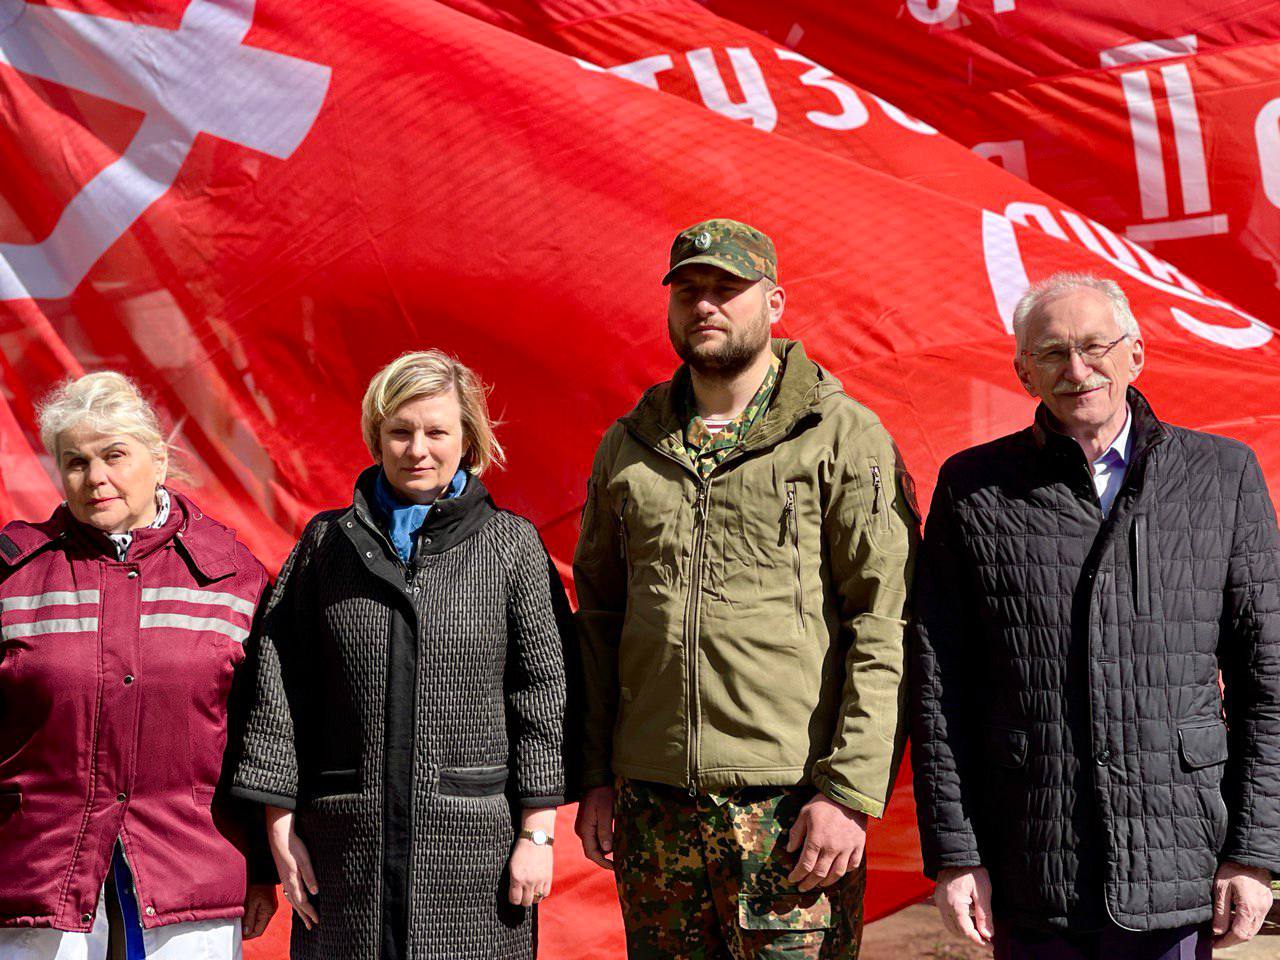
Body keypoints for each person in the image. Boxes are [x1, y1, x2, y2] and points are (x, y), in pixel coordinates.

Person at [573, 218, 918, 958]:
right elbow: (599, 619)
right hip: (654, 807)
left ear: (775, 301)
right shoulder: (629, 446)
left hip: (791, 809)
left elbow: (884, 622)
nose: (707, 305)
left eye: (728, 289)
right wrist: (597, 776)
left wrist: (849, 795)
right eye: (690, 290)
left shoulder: (841, 436)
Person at [911, 272, 1280, 959]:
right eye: (1051, 353)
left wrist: (1255, 852)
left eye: (1094, 347)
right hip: (1033, 862)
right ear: (1024, 373)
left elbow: (1269, 680)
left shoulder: (1222, 476)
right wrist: (958, 854)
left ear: (1135, 354)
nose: (1076, 370)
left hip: (1180, 861)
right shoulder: (973, 488)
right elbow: (939, 687)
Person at [231, 350, 569, 960]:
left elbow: (544, 691)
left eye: (437, 431)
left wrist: (537, 834)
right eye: (400, 431)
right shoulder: (325, 545)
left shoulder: (512, 546)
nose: (418, 450)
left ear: (468, 437)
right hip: (343, 853)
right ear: (375, 437)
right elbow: (277, 685)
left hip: (474, 856)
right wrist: (280, 831)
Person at [0, 371, 276, 959]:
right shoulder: (13, 572)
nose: (95, 477)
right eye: (75, 462)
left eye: (114, 455)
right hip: (36, 872)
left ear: (157, 458)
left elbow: (262, 731)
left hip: (189, 872)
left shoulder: (233, 572)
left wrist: (259, 862)